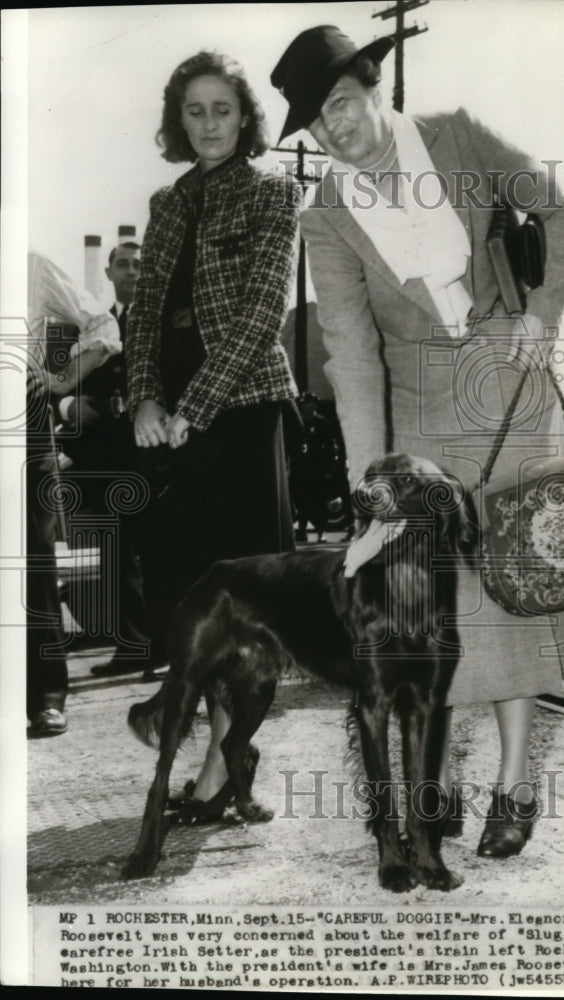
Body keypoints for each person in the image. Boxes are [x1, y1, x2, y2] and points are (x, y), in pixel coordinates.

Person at [270, 25, 564, 859]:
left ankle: (516, 783)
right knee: (436, 605)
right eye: (318, 122)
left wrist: (542, 314)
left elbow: (560, 206)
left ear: (373, 87)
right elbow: (350, 353)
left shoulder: (457, 134)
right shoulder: (327, 217)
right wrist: (367, 492)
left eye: (343, 104)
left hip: (512, 389)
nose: (336, 128)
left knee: (519, 585)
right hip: (420, 416)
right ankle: (439, 778)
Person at [125, 50, 301, 817]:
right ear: (177, 119)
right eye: (193, 111)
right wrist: (143, 401)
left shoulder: (273, 194)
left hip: (244, 414)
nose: (207, 125)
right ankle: (222, 751)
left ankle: (217, 773)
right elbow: (144, 315)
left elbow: (265, 311)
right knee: (179, 599)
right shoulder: (167, 205)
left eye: (221, 109)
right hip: (171, 427)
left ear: (245, 116)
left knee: (246, 608)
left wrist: (193, 405)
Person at [26, 251, 123, 735]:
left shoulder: (27, 264)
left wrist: (58, 381)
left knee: (35, 559)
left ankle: (45, 694)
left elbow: (102, 327)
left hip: (20, 426)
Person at [50, 241, 151, 678]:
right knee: (111, 553)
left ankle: (145, 642)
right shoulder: (89, 326)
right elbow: (56, 381)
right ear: (108, 273)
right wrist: (70, 409)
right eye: (123, 265)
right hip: (98, 458)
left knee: (145, 552)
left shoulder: (156, 322)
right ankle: (128, 639)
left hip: (145, 453)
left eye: (139, 266)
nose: (131, 272)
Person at [289, 392, 337, 543]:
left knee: (318, 502)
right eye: (302, 404)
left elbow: (330, 449)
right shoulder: (296, 424)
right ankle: (301, 531)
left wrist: (328, 469)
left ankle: (322, 531)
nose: (304, 407)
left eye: (307, 403)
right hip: (299, 469)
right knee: (300, 502)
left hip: (317, 470)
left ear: (314, 405)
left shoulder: (323, 424)